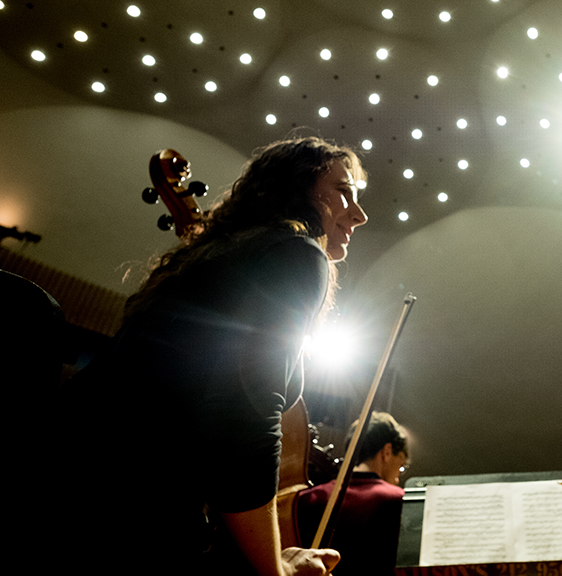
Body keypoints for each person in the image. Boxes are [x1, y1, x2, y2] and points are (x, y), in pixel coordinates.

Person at [57, 137, 368, 576]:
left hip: (82, 475)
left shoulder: (219, 254)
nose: (359, 214)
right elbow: (244, 413)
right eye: (343, 191)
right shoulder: (298, 252)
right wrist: (273, 570)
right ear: (297, 187)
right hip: (129, 509)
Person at [296, 412, 409, 576]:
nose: (398, 478)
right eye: (401, 466)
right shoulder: (400, 500)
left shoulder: (307, 498)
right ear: (387, 451)